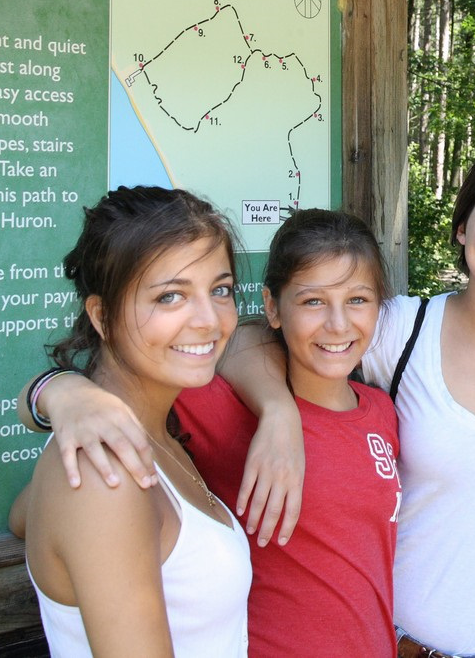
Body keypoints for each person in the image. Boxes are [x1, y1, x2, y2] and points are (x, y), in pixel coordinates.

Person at [28, 142, 475, 658]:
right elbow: (249, 336)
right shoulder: (400, 330)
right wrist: (58, 390)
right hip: (408, 644)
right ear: (462, 226)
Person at [12, 186, 250, 658]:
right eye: (170, 296)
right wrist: (56, 392)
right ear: (102, 316)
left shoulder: (143, 437)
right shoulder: (107, 475)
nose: (209, 320)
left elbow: (24, 517)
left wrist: (54, 390)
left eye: (220, 290)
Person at [173, 208, 401, 657]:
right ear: (273, 307)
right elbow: (111, 385)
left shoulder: (381, 411)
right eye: (313, 301)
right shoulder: (227, 407)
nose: (338, 324)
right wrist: (55, 392)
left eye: (358, 299)